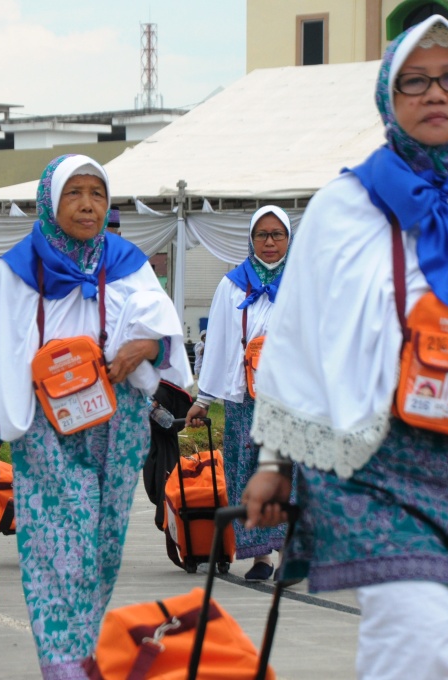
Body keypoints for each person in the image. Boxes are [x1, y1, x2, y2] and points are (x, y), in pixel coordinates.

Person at [242, 16, 448, 680]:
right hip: (381, 465)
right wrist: (275, 461)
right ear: (387, 96)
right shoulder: (345, 206)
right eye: (415, 80)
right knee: (421, 641)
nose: (435, 93)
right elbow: (299, 339)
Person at [0, 153, 191, 679]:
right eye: (74, 193)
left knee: (103, 549)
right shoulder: (14, 272)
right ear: (49, 201)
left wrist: (145, 348)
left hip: (118, 422)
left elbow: (164, 338)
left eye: (97, 194)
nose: (88, 205)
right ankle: (64, 666)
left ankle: (81, 653)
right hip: (46, 428)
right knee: (59, 547)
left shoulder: (129, 262)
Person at [186, 206, 292, 581]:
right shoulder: (231, 285)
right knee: (246, 472)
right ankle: (260, 556)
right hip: (244, 398)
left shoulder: (304, 281)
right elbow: (218, 343)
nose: (269, 241)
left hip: (291, 398)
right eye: (261, 234)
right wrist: (204, 399)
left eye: (277, 234)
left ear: (289, 238)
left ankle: (289, 552)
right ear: (250, 239)